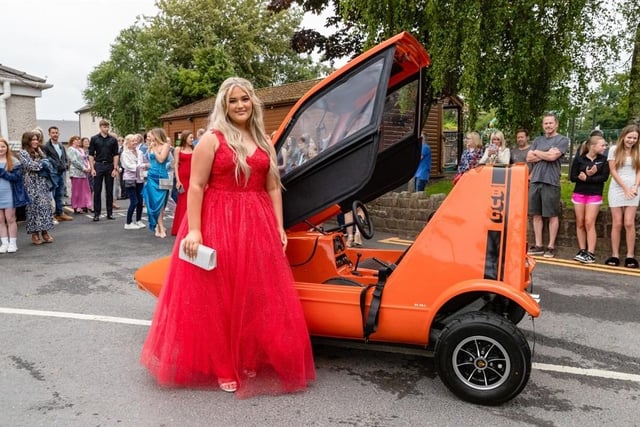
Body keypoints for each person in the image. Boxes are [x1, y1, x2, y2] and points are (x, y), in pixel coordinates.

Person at [140, 77, 315, 397]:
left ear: (253, 103)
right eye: (233, 100)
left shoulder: (263, 140)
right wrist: (194, 229)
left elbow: (273, 186)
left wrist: (278, 226)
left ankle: (246, 356)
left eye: (244, 99)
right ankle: (223, 365)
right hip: (218, 220)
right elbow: (195, 186)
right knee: (218, 297)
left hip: (257, 223)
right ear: (224, 104)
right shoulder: (212, 139)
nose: (239, 105)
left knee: (252, 295)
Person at [526, 113, 569, 258]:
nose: (548, 126)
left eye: (551, 123)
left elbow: (552, 157)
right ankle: (538, 245)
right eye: (546, 123)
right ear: (543, 125)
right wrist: (545, 153)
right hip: (535, 180)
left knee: (552, 215)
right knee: (536, 214)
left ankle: (551, 246)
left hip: (551, 181)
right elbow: (529, 157)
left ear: (556, 124)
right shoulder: (538, 140)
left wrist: (538, 152)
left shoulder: (562, 139)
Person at [569, 134, 609, 264]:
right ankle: (582, 250)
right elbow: (572, 176)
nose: (604, 147)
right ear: (593, 146)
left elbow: (604, 177)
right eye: (602, 145)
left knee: (589, 222)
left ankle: (591, 253)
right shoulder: (580, 159)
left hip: (594, 194)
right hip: (580, 193)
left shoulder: (603, 160)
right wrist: (581, 176)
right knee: (580, 222)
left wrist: (589, 177)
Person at [604, 124, 640, 268]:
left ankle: (630, 255)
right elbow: (613, 171)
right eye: (629, 137)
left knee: (629, 223)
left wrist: (635, 187)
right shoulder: (613, 150)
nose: (631, 140)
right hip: (617, 188)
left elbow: (639, 171)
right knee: (617, 223)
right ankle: (615, 255)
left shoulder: (638, 151)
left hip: (633, 189)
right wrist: (625, 188)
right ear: (623, 136)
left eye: (635, 138)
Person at [17, 132, 55, 245]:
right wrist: (43, 163)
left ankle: (44, 232)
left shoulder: (39, 151)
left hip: (42, 183)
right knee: (32, 209)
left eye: (36, 140)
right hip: (30, 185)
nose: (35, 142)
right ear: (27, 141)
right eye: (33, 140)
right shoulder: (23, 153)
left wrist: (43, 163)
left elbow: (48, 163)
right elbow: (31, 166)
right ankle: (34, 234)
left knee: (44, 208)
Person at [0, 137, 29, 253]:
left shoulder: (14, 161)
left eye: (3, 146)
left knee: (10, 219)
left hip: (10, 194)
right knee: (0, 220)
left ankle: (13, 243)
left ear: (7, 147)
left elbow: (17, 178)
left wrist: (3, 173)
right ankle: (4, 243)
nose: (0, 149)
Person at [141, 128, 171, 238]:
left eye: (151, 135)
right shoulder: (151, 146)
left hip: (163, 175)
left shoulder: (166, 146)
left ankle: (160, 225)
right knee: (153, 202)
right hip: (151, 176)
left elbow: (162, 159)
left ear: (157, 135)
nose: (149, 137)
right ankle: (159, 225)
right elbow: (149, 161)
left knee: (163, 202)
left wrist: (154, 149)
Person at [89, 120, 119, 221]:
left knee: (109, 190)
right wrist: (92, 168)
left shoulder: (113, 140)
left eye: (107, 127)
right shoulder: (94, 139)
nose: (106, 128)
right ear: (100, 127)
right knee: (97, 190)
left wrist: (115, 168)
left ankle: (109, 213)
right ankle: (96, 213)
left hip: (109, 165)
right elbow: (91, 154)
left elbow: (116, 154)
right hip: (98, 165)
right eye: (104, 127)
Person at [43, 126, 73, 221]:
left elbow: (64, 158)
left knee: (59, 194)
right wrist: (54, 166)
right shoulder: (46, 146)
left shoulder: (60, 145)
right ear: (49, 134)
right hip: (52, 173)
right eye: (53, 133)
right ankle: (50, 215)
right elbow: (45, 159)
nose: (55, 134)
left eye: (56, 132)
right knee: (51, 194)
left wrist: (65, 165)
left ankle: (59, 213)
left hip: (61, 173)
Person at [171, 130, 194, 236]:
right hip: (183, 177)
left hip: (193, 176)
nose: (192, 140)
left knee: (192, 201)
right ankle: (180, 227)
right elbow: (176, 164)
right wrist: (178, 180)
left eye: (193, 138)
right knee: (183, 202)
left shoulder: (194, 148)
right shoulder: (178, 149)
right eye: (191, 138)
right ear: (185, 138)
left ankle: (191, 226)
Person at [121, 134, 146, 230]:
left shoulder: (139, 152)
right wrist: (143, 166)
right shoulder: (125, 154)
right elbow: (128, 166)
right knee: (134, 201)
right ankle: (128, 222)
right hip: (130, 179)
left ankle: (138, 220)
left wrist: (143, 166)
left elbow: (143, 162)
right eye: (132, 141)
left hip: (139, 178)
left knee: (140, 201)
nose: (135, 142)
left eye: (136, 141)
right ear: (127, 143)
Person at [66, 136, 92, 214]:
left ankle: (84, 205)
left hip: (84, 173)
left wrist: (89, 167)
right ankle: (76, 206)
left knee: (84, 191)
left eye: (78, 140)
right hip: (76, 173)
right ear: (72, 141)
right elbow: (74, 161)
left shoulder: (81, 149)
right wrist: (83, 168)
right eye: (76, 140)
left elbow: (86, 159)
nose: (78, 141)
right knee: (76, 191)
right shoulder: (71, 149)